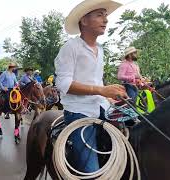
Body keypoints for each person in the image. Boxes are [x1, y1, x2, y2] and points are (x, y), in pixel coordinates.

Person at [55, 0, 127, 173]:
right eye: (100, 15)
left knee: (135, 128)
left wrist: (109, 96)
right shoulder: (70, 47)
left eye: (106, 15)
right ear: (84, 21)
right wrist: (102, 90)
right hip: (79, 111)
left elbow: (97, 82)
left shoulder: (100, 50)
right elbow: (63, 83)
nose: (106, 20)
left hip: (102, 106)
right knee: (91, 169)